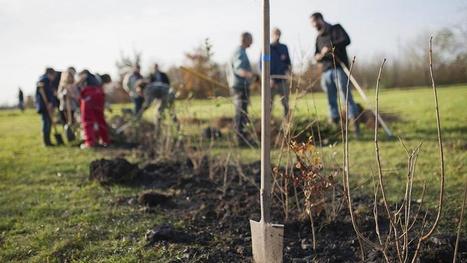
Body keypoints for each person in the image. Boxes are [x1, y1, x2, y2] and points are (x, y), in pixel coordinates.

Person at [310, 12, 361, 136]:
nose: (313, 25)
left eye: (314, 22)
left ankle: (354, 124)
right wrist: (319, 56)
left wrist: (331, 46)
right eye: (311, 23)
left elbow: (347, 40)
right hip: (326, 72)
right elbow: (316, 55)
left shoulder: (336, 28)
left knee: (346, 96)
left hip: (339, 68)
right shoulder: (318, 38)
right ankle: (336, 125)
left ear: (320, 19)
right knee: (331, 99)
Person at [228, 32, 256, 146]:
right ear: (245, 39)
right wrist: (253, 76)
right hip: (239, 87)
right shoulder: (239, 52)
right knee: (240, 113)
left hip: (241, 86)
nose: (252, 42)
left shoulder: (242, 51)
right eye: (251, 39)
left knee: (243, 113)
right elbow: (239, 69)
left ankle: (243, 138)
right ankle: (240, 140)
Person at [261, 27, 292, 118]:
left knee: (286, 103)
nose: (277, 36)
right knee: (268, 104)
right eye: (275, 34)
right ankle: (268, 122)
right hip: (270, 82)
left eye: (279, 34)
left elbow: (288, 63)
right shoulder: (267, 48)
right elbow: (262, 65)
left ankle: (287, 123)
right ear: (271, 35)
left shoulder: (284, 48)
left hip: (282, 80)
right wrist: (268, 78)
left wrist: (288, 73)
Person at [77, 70, 111, 148]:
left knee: (87, 120)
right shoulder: (96, 79)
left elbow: (81, 80)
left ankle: (90, 143)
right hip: (99, 96)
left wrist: (77, 84)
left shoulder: (86, 75)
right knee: (100, 120)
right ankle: (105, 140)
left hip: (89, 96)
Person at [35, 68, 58, 146]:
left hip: (46, 105)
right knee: (46, 124)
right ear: (50, 74)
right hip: (45, 106)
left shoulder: (46, 81)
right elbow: (46, 93)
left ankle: (47, 141)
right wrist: (50, 103)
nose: (54, 78)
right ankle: (46, 142)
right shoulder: (45, 80)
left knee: (48, 123)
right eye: (53, 76)